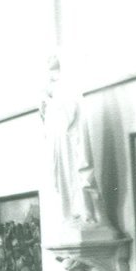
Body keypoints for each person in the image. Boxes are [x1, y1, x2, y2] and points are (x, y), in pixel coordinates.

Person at [39, 57, 101, 230]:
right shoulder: (48, 90)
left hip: (69, 138)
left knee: (75, 173)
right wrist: (44, 106)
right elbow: (46, 119)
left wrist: (50, 100)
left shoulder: (66, 86)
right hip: (56, 140)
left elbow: (69, 111)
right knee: (61, 176)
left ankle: (84, 212)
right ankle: (69, 214)